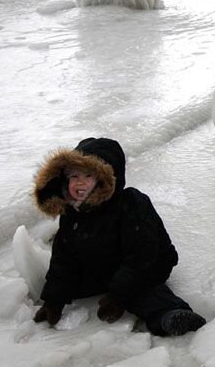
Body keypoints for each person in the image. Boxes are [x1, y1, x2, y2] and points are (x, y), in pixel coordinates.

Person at [32, 137, 205, 337]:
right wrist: (53, 301)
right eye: (74, 176)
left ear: (105, 179)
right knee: (71, 282)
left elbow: (141, 256)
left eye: (88, 175)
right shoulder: (73, 214)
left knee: (143, 292)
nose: (79, 182)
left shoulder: (131, 204)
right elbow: (64, 260)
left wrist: (118, 296)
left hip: (147, 263)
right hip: (104, 266)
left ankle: (170, 315)